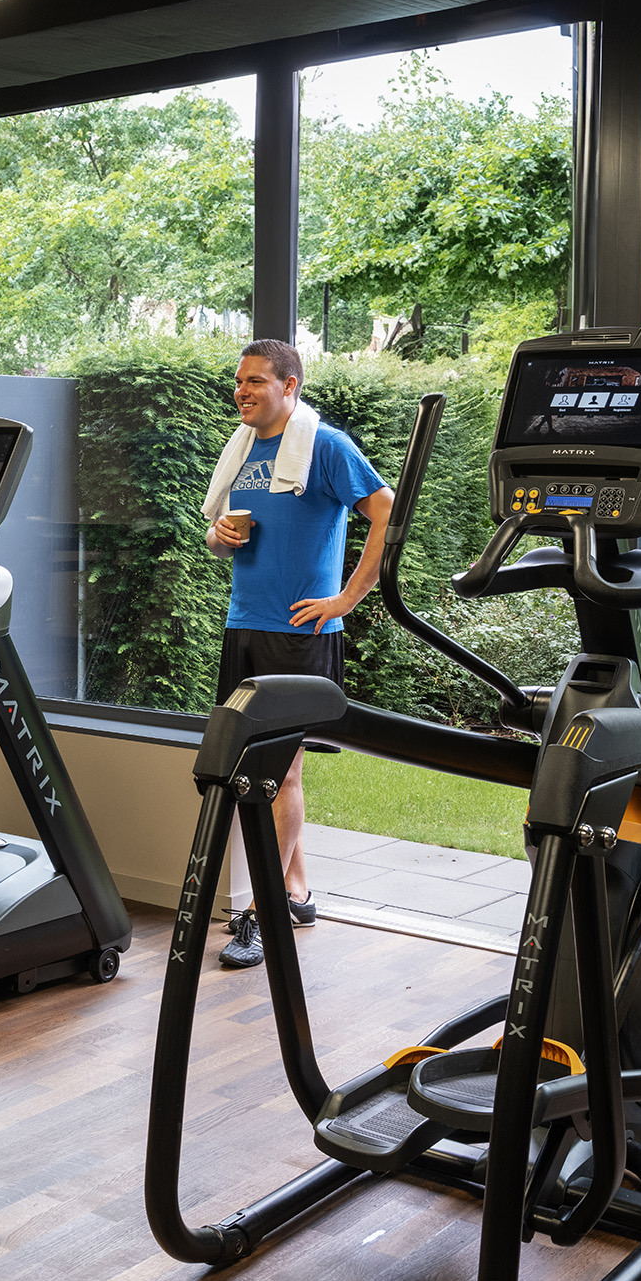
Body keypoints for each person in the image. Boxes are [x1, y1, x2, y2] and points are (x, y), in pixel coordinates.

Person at [203, 338, 394, 970]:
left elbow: (384, 508)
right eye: (240, 381)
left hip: (300, 630)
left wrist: (348, 598)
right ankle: (297, 888)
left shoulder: (325, 446)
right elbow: (223, 533)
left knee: (277, 771)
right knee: (272, 768)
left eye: (257, 381)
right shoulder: (243, 449)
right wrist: (222, 534)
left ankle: (255, 914)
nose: (243, 391)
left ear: (291, 386)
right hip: (245, 625)